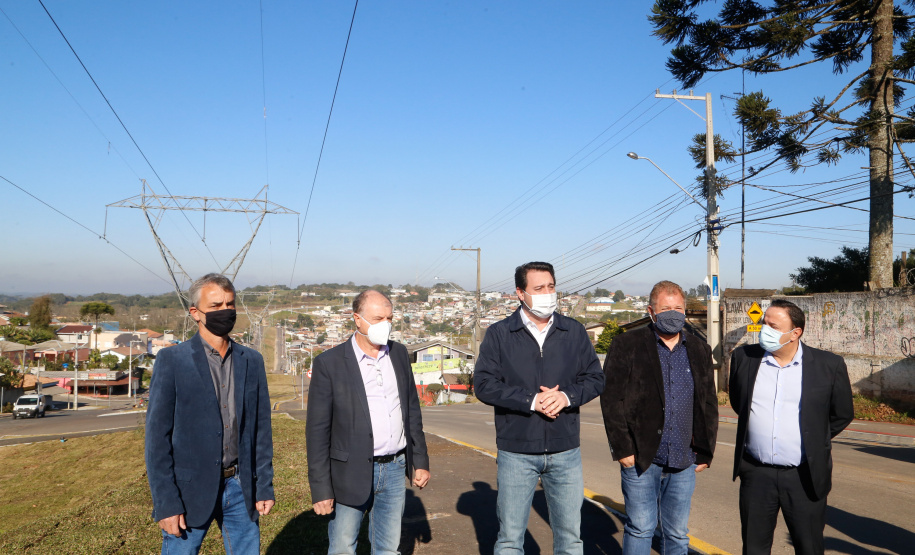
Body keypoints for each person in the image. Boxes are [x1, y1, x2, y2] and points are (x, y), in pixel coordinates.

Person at [474, 261, 605, 555]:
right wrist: (532, 401)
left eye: (551, 286)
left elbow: (595, 378)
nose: (548, 294)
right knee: (509, 540)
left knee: (571, 540)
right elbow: (483, 384)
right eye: (538, 288)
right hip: (516, 452)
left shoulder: (573, 331)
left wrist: (566, 397)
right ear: (520, 293)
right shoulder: (499, 333)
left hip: (565, 451)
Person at [145, 273, 274, 554]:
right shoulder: (172, 361)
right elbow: (157, 440)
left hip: (240, 487)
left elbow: (260, 429)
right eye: (215, 306)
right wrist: (166, 502)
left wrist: (264, 485)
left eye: (230, 304)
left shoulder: (252, 361)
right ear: (195, 313)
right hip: (188, 491)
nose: (224, 311)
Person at [306, 290, 430, 555]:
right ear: (357, 319)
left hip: (395, 468)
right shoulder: (329, 364)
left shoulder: (398, 354)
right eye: (377, 318)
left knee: (388, 548)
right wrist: (321, 488)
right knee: (342, 547)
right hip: (348, 472)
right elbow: (317, 432)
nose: (384, 324)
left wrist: (418, 461)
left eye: (389, 318)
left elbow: (411, 411)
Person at [600, 280, 718, 555]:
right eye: (666, 308)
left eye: (678, 308)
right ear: (651, 311)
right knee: (641, 527)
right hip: (641, 456)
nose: (673, 313)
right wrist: (622, 448)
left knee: (677, 533)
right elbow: (611, 398)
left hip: (684, 458)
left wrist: (705, 449)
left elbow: (708, 402)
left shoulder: (699, 348)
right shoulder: (627, 343)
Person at [729, 299, 853, 555]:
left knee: (809, 547)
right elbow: (738, 402)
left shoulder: (828, 365)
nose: (765, 330)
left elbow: (842, 414)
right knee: (754, 548)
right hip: (756, 474)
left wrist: (812, 437)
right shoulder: (744, 358)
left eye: (773, 326)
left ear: (795, 332)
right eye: (764, 323)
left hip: (803, 477)